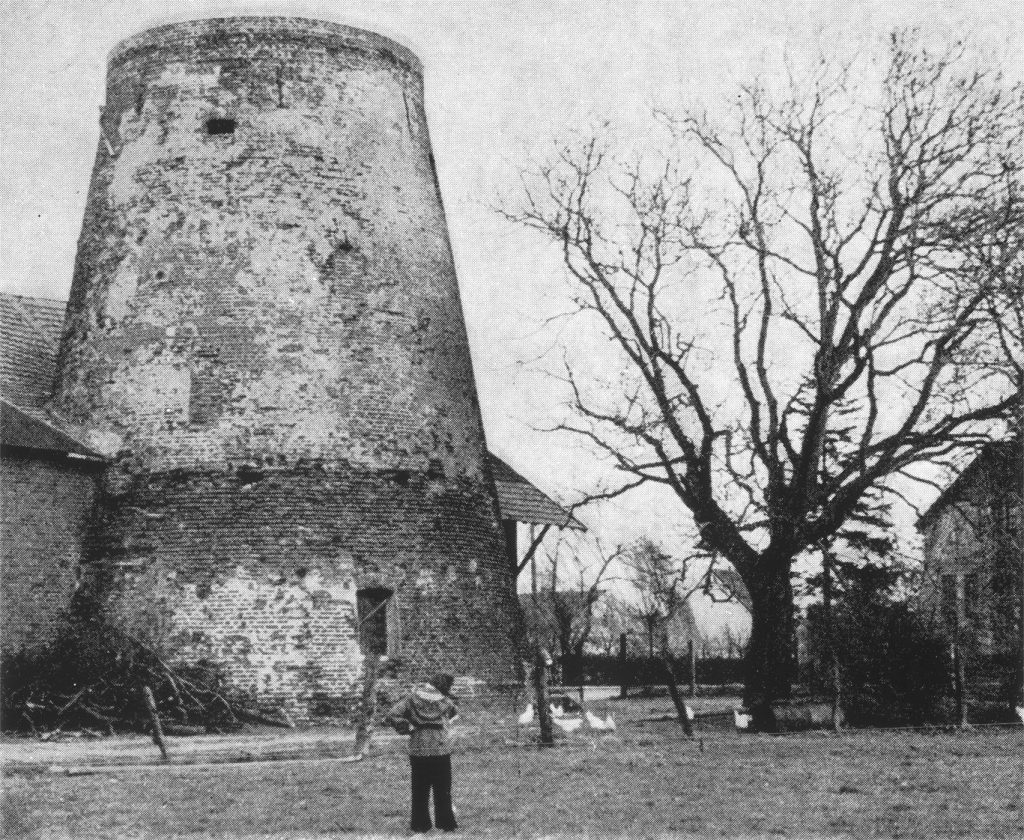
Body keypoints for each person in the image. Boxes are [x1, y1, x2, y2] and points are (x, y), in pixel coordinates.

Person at [385, 672, 459, 833]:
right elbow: (454, 713)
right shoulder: (446, 701)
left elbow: (392, 715)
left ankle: (420, 826)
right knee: (443, 789)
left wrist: (407, 726)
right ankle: (447, 825)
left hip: (418, 749)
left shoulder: (411, 699)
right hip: (440, 749)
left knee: (420, 790)